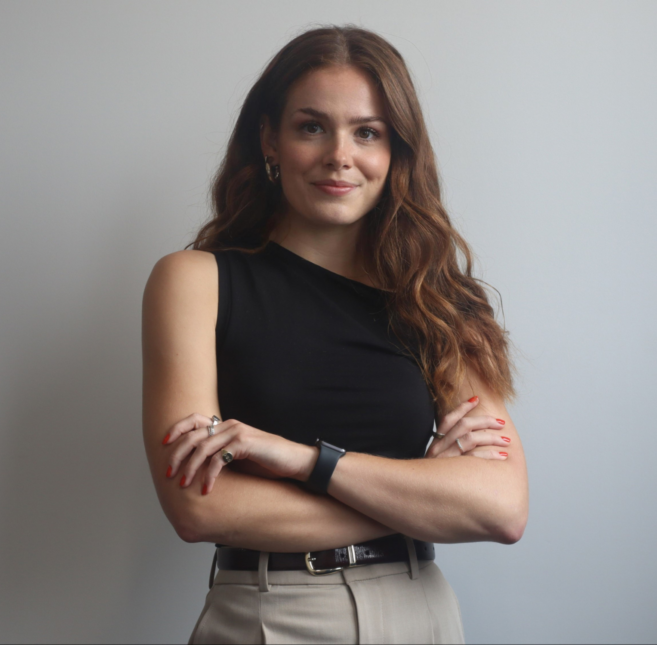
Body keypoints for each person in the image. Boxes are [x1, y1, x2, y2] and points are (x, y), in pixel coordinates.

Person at [142, 25, 528, 644]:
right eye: (311, 126)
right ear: (270, 138)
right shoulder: (195, 282)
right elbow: (198, 508)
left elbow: (501, 507)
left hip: (418, 615)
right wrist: (416, 491)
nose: (339, 156)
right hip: (270, 616)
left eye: (367, 132)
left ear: (397, 151)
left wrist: (302, 460)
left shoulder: (442, 302)